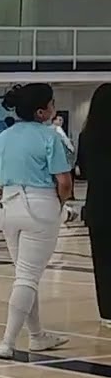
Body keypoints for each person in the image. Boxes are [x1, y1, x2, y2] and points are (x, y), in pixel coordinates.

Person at [0, 83, 74, 358]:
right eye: (52, 103)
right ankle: (8, 341)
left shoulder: (2, 137)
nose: (54, 108)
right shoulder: (50, 137)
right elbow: (64, 182)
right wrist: (59, 205)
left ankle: (37, 336)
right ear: (41, 111)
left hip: (8, 206)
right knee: (27, 276)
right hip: (40, 206)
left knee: (25, 276)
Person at [79, 84, 111, 327]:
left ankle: (107, 312)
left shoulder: (86, 136)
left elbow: (84, 171)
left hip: (98, 206)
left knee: (102, 262)